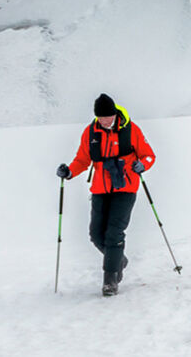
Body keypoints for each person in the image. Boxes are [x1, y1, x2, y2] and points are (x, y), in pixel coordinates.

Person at [56, 93, 155, 297]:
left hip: (126, 187)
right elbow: (82, 160)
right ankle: (119, 260)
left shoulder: (131, 130)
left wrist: (142, 164)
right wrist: (69, 172)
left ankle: (110, 280)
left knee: (114, 233)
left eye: (109, 117)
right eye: (102, 118)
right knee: (95, 234)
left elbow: (149, 155)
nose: (106, 121)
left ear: (115, 114)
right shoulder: (91, 132)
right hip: (100, 189)